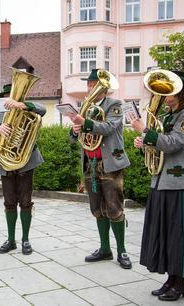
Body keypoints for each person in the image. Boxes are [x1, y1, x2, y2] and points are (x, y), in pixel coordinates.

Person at [130, 71, 184, 301]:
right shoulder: (168, 117)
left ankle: (180, 281)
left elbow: (173, 143)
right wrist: (144, 144)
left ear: (181, 92)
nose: (163, 95)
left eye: (169, 91)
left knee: (178, 235)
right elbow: (159, 146)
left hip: (181, 182)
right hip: (162, 181)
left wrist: (145, 131)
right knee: (165, 234)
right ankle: (172, 278)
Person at [68, 69, 132, 269]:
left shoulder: (114, 105)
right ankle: (105, 249)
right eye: (88, 84)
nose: (90, 88)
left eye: (94, 84)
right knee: (97, 209)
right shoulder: (85, 108)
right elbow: (75, 137)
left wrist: (84, 122)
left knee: (114, 208)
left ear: (103, 87)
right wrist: (75, 129)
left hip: (110, 164)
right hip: (90, 164)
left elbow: (109, 128)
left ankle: (122, 251)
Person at [0, 83, 46, 255]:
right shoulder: (0, 115)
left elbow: (43, 110)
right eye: (6, 97)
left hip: (26, 162)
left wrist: (22, 105)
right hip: (6, 164)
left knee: (26, 202)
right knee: (9, 202)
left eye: (10, 97)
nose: (8, 100)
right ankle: (11, 240)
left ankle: (25, 240)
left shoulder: (29, 109)